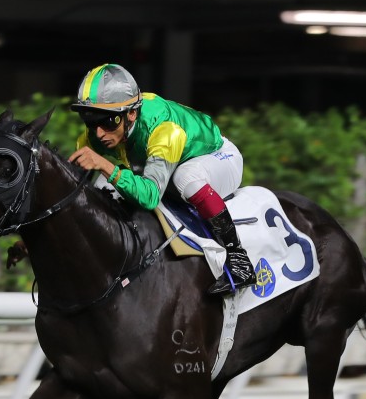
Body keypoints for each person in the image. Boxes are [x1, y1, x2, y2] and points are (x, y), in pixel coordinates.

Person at [68, 63, 255, 295]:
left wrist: (106, 165)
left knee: (184, 178)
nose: (99, 133)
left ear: (132, 113)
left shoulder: (164, 130)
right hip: (163, 160)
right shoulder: (98, 132)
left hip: (217, 157)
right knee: (100, 185)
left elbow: (149, 197)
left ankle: (239, 258)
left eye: (109, 122)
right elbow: (72, 197)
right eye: (90, 120)